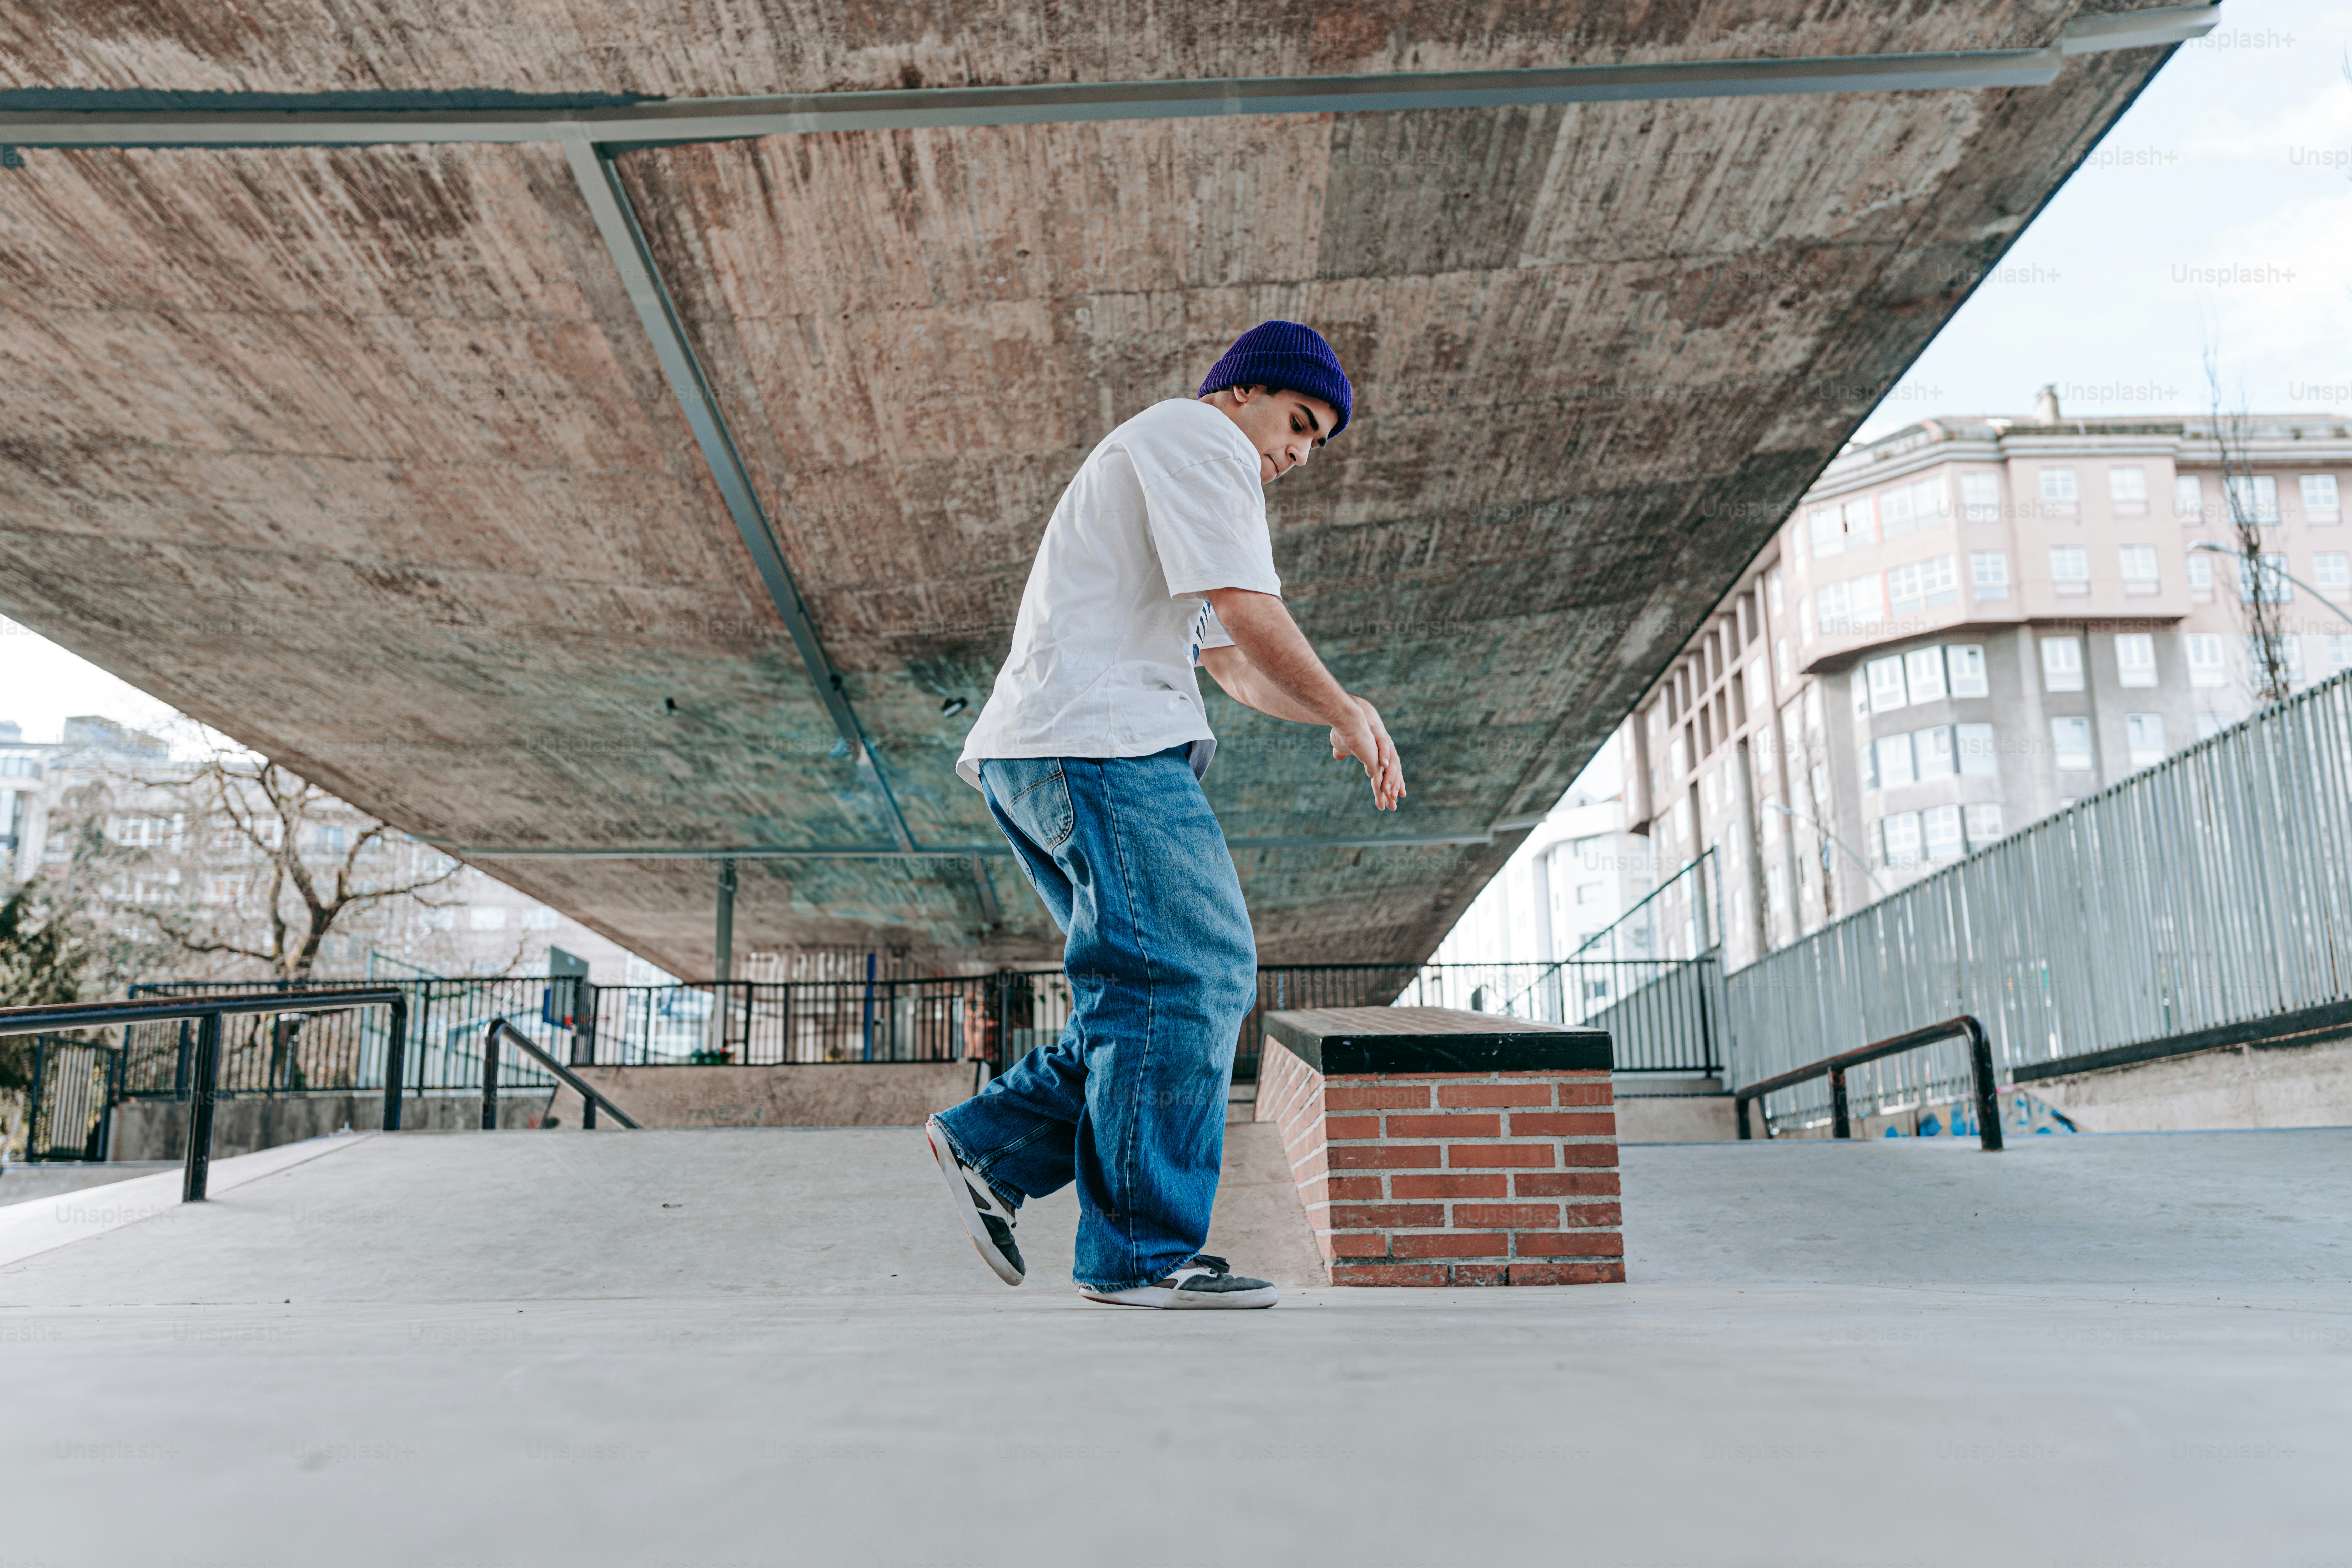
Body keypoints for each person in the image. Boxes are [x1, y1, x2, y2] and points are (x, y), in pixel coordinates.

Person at [924, 320, 1405, 1309]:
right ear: (1243, 391)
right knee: (1201, 972)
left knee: (1148, 990)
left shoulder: (1171, 466)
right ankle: (1139, 1256)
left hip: (1052, 749)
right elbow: (1249, 607)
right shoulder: (1200, 439)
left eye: (1316, 446)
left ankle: (993, 1146)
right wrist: (1345, 705)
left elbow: (1230, 662)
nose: (1298, 455)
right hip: (1101, 744)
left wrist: (1331, 708)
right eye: (1297, 423)